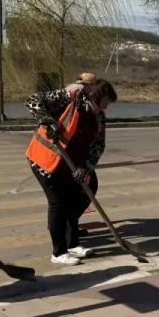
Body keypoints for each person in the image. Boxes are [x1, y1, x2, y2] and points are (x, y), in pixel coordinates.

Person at [26, 78, 117, 265]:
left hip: (71, 163)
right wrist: (47, 121)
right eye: (104, 103)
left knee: (75, 197)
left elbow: (98, 146)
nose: (105, 108)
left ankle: (73, 244)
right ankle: (58, 253)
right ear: (94, 96)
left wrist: (86, 167)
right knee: (58, 203)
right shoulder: (71, 97)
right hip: (45, 159)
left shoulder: (99, 117)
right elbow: (32, 100)